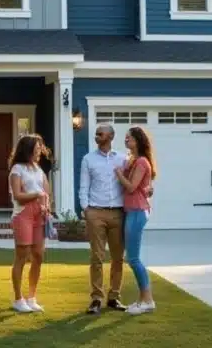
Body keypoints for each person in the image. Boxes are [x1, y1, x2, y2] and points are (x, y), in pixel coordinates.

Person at [78, 124, 128, 314]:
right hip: (96, 212)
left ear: (111, 136)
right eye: (96, 133)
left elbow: (132, 183)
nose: (97, 136)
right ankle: (96, 298)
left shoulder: (123, 159)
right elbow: (84, 186)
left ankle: (114, 297)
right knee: (97, 257)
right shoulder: (88, 159)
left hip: (118, 212)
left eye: (101, 133)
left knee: (117, 258)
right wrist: (86, 209)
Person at [114, 126, 157, 315]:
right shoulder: (133, 160)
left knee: (133, 259)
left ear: (138, 141)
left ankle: (148, 300)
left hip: (138, 212)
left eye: (129, 138)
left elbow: (131, 187)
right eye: (125, 138)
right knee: (132, 258)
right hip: (132, 211)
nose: (126, 141)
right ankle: (141, 300)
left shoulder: (141, 162)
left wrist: (118, 174)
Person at [8, 133, 50, 313]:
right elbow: (18, 196)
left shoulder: (38, 169)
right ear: (28, 149)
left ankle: (31, 297)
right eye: (37, 147)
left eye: (40, 147)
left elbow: (47, 193)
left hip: (39, 214)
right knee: (22, 256)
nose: (40, 150)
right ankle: (18, 299)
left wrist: (46, 206)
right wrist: (37, 195)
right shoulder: (17, 169)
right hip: (23, 214)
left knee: (38, 255)